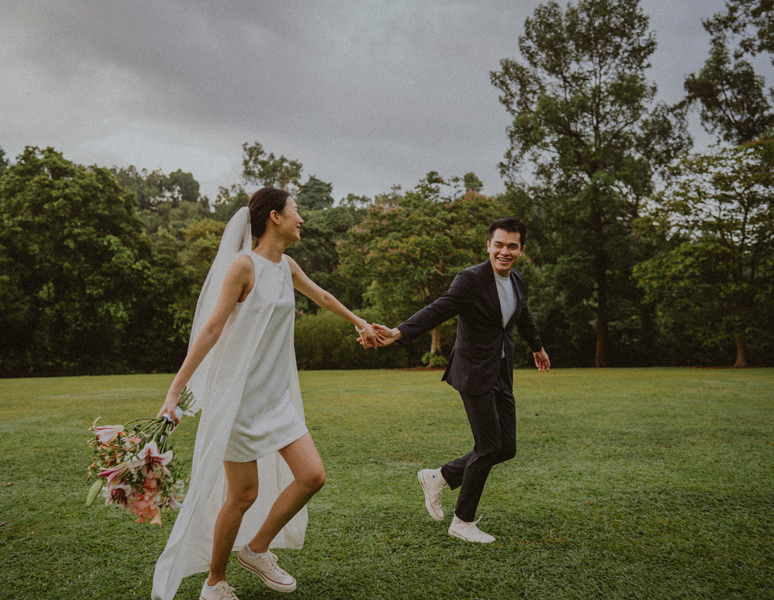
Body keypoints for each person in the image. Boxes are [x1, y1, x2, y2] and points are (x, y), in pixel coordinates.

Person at [152, 187, 379, 600]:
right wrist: (174, 391)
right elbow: (211, 329)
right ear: (275, 217)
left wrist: (358, 322)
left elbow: (321, 295)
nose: (301, 219)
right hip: (237, 401)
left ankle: (256, 550)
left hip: (276, 400)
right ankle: (214, 583)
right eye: (296, 211)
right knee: (243, 495)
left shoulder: (287, 266)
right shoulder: (243, 266)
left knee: (313, 476)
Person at [370, 217, 550, 543]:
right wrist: (399, 332)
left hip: (501, 372)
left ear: (521, 249)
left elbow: (522, 314)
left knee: (505, 447)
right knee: (488, 446)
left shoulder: (518, 280)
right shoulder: (470, 279)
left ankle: (439, 476)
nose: (504, 252)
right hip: (473, 372)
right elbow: (440, 309)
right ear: (488, 246)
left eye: (512, 246)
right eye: (498, 244)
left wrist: (537, 347)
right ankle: (462, 521)